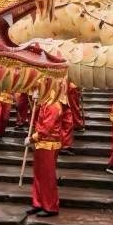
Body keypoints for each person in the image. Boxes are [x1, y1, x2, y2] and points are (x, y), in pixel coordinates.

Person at [25, 82, 63, 217]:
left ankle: (50, 206)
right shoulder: (45, 102)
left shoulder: (53, 104)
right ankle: (38, 202)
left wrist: (32, 138)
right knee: (38, 175)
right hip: (41, 144)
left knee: (47, 177)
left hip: (48, 144)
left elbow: (46, 128)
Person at [59, 84, 76, 155]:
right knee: (66, 123)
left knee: (68, 123)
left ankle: (65, 144)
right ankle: (64, 145)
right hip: (57, 98)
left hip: (63, 98)